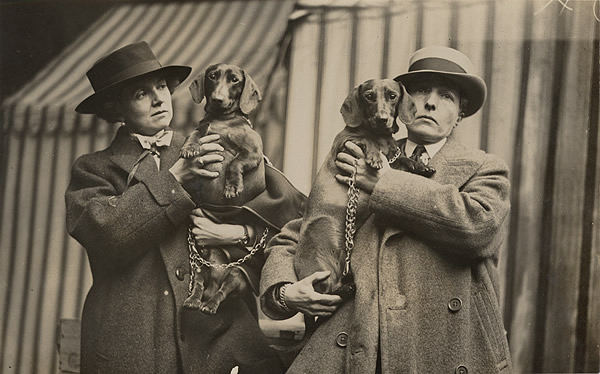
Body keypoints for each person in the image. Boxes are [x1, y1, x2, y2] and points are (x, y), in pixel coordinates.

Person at [260, 46, 513, 373]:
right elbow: (303, 230)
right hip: (357, 344)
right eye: (421, 91)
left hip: (443, 351)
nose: (430, 102)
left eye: (446, 96)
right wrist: (285, 292)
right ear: (404, 103)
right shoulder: (359, 155)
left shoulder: (484, 168)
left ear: (460, 113)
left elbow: (478, 228)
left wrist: (382, 184)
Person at [66, 41, 298, 373]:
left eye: (161, 86)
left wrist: (237, 231)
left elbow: (287, 216)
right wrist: (174, 180)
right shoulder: (93, 169)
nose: (159, 98)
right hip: (132, 348)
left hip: (215, 343)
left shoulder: (211, 143)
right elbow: (106, 236)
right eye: (141, 93)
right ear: (114, 108)